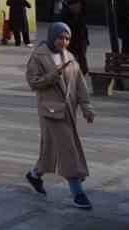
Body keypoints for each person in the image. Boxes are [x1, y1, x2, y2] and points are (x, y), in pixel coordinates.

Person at [24, 21, 96, 210]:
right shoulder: (39, 56)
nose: (63, 42)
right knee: (68, 149)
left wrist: (87, 108)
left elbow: (80, 85)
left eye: (67, 38)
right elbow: (33, 82)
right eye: (60, 38)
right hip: (50, 111)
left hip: (68, 111)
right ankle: (77, 192)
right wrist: (53, 76)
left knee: (52, 149)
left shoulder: (69, 56)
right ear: (52, 37)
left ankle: (35, 174)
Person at [64, 0, 91, 74]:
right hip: (73, 41)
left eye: (79, 6)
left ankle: (81, 72)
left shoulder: (80, 14)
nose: (78, 7)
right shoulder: (67, 14)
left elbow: (83, 29)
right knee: (72, 58)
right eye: (77, 5)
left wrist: (86, 41)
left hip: (81, 41)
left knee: (82, 59)